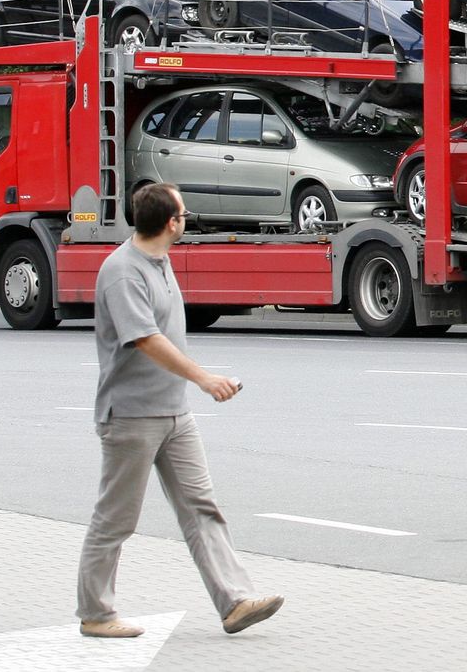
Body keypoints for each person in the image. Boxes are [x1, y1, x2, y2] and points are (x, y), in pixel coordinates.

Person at [77, 182, 283, 637]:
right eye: (184, 214)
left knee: (201, 507)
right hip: (131, 416)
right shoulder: (123, 272)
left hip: (174, 414)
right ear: (172, 222)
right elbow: (146, 339)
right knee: (116, 519)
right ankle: (96, 614)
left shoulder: (160, 261)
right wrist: (204, 378)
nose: (186, 219)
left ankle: (235, 601)